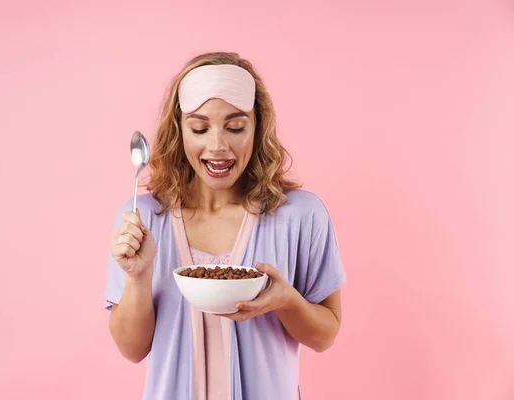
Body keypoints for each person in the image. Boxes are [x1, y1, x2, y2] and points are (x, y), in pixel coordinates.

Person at [104, 52, 346, 400]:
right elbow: (131, 349)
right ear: (179, 131)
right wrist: (139, 277)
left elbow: (325, 336)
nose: (218, 147)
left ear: (257, 127)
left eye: (235, 127)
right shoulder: (141, 221)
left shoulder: (301, 215)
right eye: (200, 128)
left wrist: (286, 301)